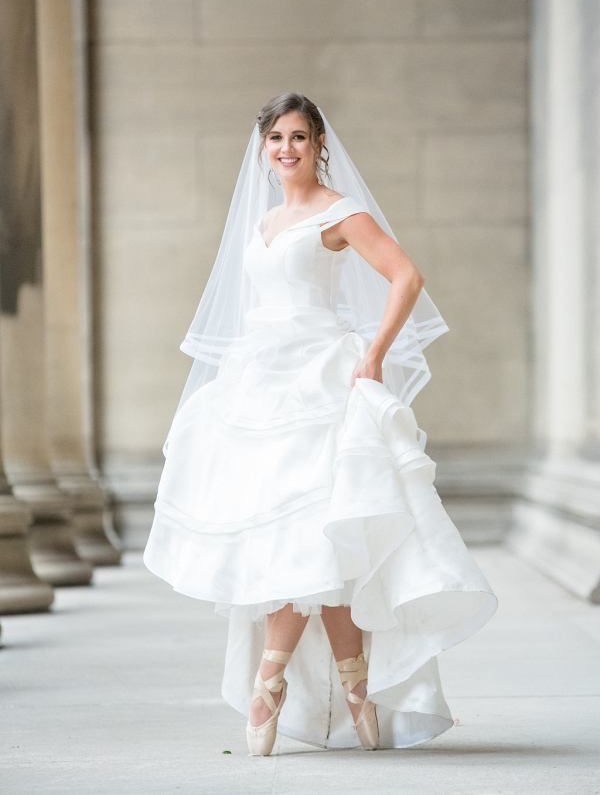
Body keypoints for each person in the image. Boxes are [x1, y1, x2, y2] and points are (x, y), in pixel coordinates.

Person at [143, 93, 497, 756]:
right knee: (310, 545)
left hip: (323, 383)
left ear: (318, 143)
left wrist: (373, 352)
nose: (286, 148)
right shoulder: (265, 220)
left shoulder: (339, 213)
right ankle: (353, 689)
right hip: (263, 386)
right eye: (276, 137)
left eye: (299, 136)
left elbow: (406, 275)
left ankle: (272, 680)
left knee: (326, 537)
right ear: (263, 147)